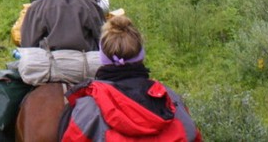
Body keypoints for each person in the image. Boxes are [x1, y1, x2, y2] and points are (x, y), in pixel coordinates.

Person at [0, 0, 105, 141]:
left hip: (48, 70)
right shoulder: (88, 2)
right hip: (87, 69)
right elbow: (102, 38)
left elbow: (28, 45)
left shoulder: (37, 7)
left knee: (13, 100)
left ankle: (0, 136)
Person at [59, 15, 202, 141]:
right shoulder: (171, 99)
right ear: (141, 54)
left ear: (102, 57)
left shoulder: (87, 108)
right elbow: (193, 135)